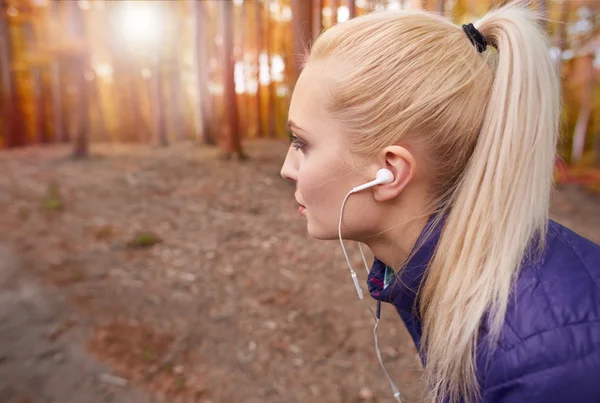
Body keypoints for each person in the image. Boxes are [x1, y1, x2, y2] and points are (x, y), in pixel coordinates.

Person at [280, 2, 600, 403]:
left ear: (390, 171)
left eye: (301, 143)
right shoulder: (451, 268)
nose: (286, 169)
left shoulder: (545, 364)